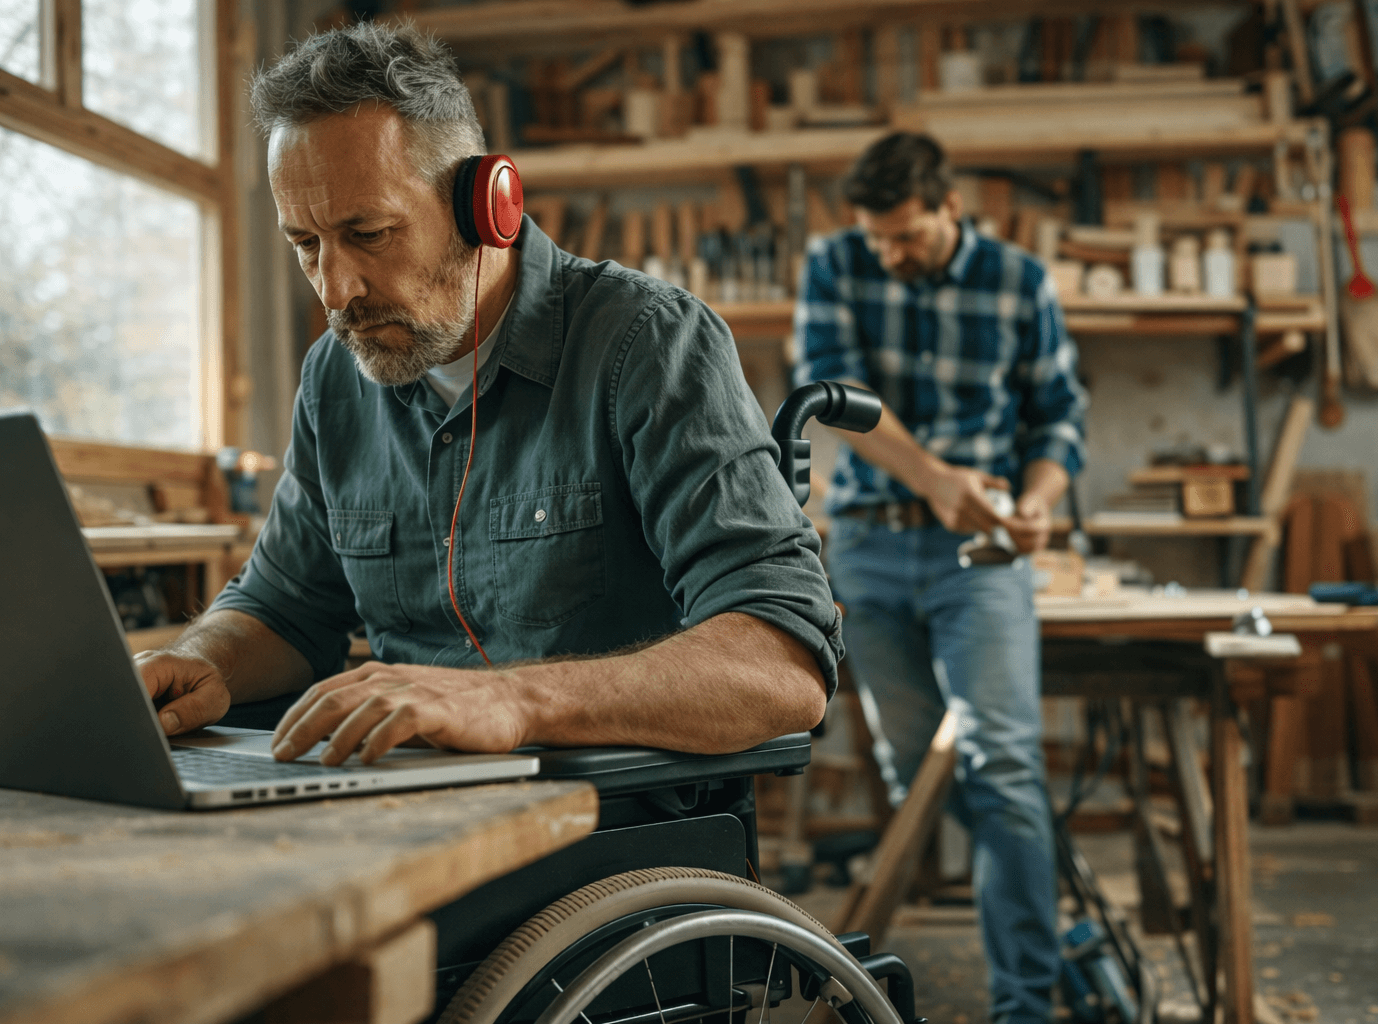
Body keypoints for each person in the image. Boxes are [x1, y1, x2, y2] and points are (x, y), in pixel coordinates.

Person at [135, 22, 840, 766]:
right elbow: (284, 607)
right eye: (306, 245)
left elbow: (781, 665)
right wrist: (207, 662)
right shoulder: (333, 377)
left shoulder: (647, 344)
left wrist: (512, 698)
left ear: (487, 207)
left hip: (610, 825)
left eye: (369, 233)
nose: (335, 290)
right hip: (398, 811)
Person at [794, 132, 1088, 1023]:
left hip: (983, 554)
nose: (889, 251)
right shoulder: (836, 263)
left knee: (1000, 766)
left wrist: (1037, 499)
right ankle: (1055, 950)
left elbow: (1059, 417)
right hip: (873, 550)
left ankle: (1025, 1007)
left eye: (907, 236)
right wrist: (936, 479)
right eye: (877, 236)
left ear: (951, 208)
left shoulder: (1019, 279)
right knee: (921, 774)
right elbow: (828, 386)